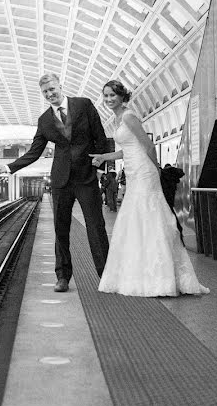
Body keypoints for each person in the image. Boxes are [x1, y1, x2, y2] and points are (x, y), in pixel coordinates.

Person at [89, 80, 208, 296]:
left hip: (144, 171)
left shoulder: (128, 116)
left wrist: (157, 169)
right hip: (134, 172)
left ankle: (159, 278)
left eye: (112, 95)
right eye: (105, 96)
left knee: (149, 215)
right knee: (137, 218)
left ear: (122, 96)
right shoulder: (118, 119)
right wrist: (104, 157)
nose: (108, 100)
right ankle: (142, 274)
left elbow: (148, 145)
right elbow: (127, 149)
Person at [0, 73, 109, 292]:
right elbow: (35, 151)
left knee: (96, 226)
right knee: (61, 228)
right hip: (61, 180)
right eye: (46, 92)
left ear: (60, 86)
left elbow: (100, 137)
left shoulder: (83, 105)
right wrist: (10, 167)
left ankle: (106, 275)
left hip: (87, 177)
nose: (50, 94)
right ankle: (63, 277)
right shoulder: (45, 120)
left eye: (52, 89)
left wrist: (100, 168)